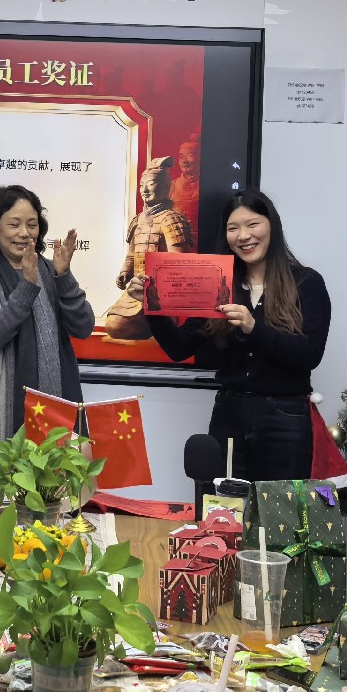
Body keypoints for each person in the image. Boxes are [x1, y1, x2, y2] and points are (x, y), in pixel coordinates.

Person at [140, 191, 330, 482]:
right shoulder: (219, 283)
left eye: (253, 224)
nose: (243, 236)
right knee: (225, 506)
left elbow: (309, 354)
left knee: (279, 508)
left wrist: (254, 328)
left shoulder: (306, 282)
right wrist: (152, 307)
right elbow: (179, 348)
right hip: (229, 415)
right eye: (233, 228)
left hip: (286, 420)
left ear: (272, 225)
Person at [0, 185, 94, 483]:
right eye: (14, 224)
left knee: (60, 498)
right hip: (2, 405)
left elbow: (83, 326)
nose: (24, 233)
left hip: (57, 407)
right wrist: (27, 286)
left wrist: (64, 277)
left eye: (32, 225)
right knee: (2, 500)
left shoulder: (52, 270)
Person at [103, 155, 194, 341]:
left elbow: (178, 263)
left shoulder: (172, 219)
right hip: (137, 289)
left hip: (159, 293)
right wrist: (125, 273)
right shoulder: (138, 220)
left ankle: (163, 321)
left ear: (166, 187)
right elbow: (132, 255)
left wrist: (156, 289)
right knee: (112, 325)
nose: (144, 190)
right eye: (141, 185)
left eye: (150, 184)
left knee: (118, 326)